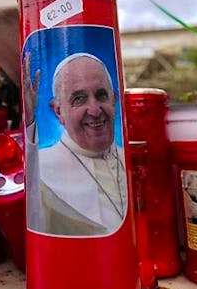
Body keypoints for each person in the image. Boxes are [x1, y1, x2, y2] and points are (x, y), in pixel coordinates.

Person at [25, 52, 127, 236]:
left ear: (114, 101)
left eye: (101, 95)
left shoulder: (132, 160)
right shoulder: (40, 170)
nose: (95, 111)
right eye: (79, 99)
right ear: (58, 111)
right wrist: (28, 121)